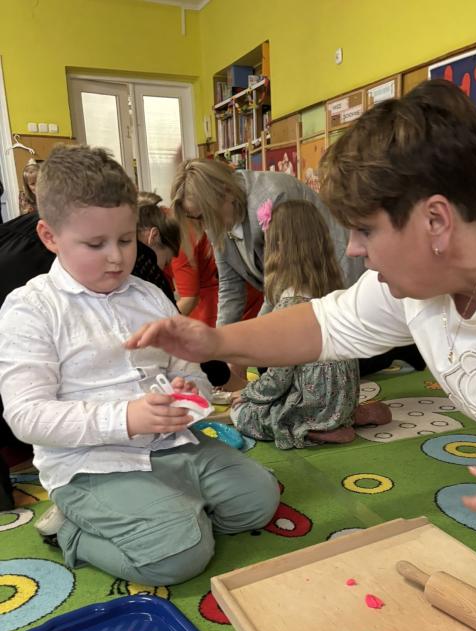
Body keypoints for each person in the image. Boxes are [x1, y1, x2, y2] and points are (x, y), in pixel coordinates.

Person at [125, 79, 476, 630]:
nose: (352, 249)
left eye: (365, 230)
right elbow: (323, 324)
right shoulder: (430, 265)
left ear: (436, 221)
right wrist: (218, 342)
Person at [0, 145, 279, 586]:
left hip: (172, 447)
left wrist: (188, 397)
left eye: (126, 240)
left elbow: (189, 372)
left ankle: (168, 512)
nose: (116, 257)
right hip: (91, 465)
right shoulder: (31, 308)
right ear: (50, 237)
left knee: (258, 500)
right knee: (179, 557)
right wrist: (126, 418)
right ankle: (72, 530)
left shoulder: (148, 295)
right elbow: (26, 415)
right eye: (95, 244)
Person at [170, 158, 365, 327]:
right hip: (299, 295)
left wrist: (255, 336)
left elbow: (281, 284)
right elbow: (230, 287)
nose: (205, 226)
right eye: (196, 218)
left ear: (225, 192)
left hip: (338, 280)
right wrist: (220, 342)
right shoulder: (217, 216)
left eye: (204, 216)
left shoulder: (273, 197)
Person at [230, 199, 361, 448]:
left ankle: (313, 429)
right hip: (344, 401)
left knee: (242, 414)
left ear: (278, 249)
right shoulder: (334, 296)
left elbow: (278, 380)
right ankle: (347, 418)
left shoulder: (290, 307)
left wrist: (247, 393)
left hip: (315, 407)